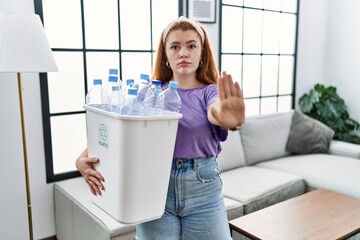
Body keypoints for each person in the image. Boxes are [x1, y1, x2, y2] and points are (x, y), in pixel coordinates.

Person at [76, 16, 245, 239]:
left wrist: (227, 117)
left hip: (202, 189)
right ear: (165, 55)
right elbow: (123, 127)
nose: (183, 53)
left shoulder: (210, 92)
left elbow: (216, 112)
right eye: (175, 47)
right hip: (153, 185)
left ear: (202, 53)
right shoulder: (149, 93)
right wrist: (82, 159)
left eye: (191, 46)